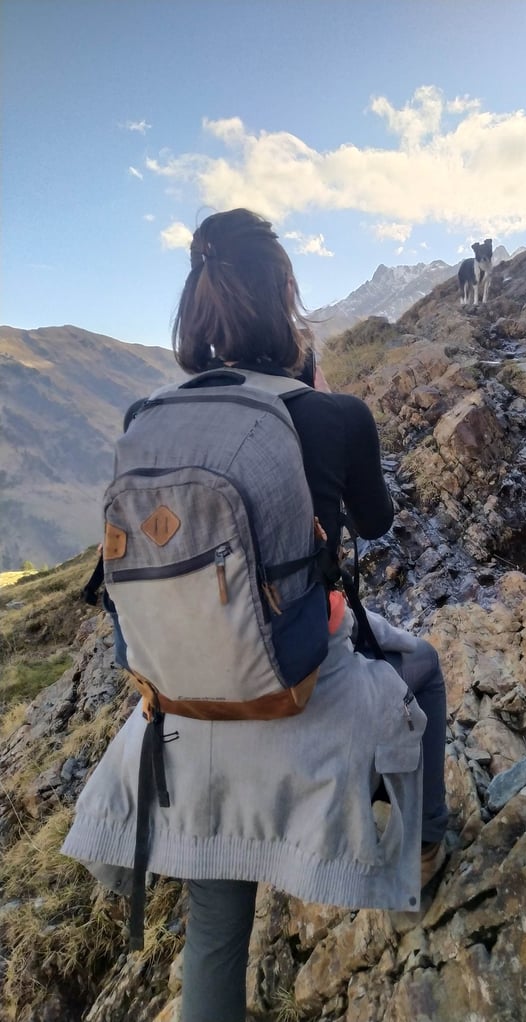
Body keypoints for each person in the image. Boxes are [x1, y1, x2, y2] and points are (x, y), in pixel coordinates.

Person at [62, 208, 448, 1022]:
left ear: (196, 304)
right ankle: (422, 852)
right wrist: (323, 408)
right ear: (284, 301)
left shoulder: (147, 416)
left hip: (179, 703)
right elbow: (376, 523)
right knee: (423, 668)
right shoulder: (333, 415)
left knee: (213, 930)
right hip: (296, 684)